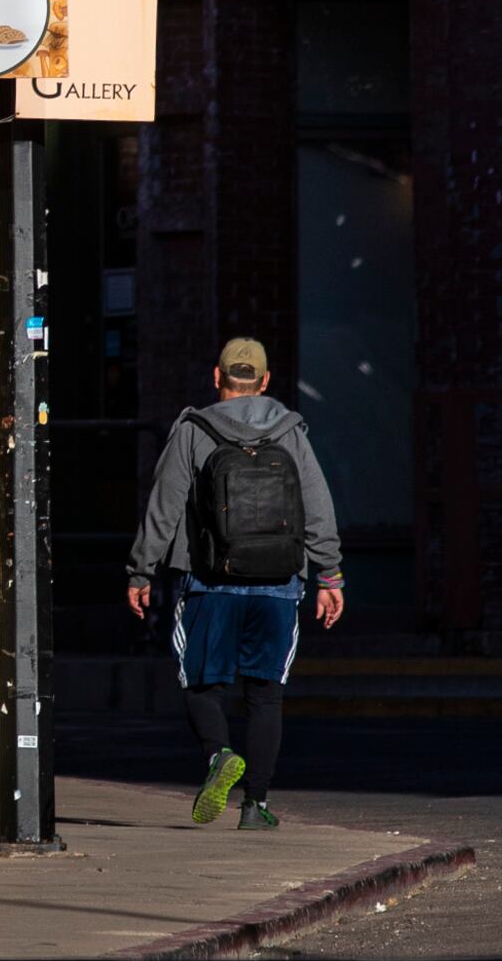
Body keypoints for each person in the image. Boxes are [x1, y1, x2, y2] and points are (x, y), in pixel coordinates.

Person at [125, 336, 343, 829]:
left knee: (203, 684)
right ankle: (256, 805)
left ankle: (219, 754)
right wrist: (330, 574)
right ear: (265, 382)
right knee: (265, 694)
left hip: (208, 582)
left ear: (216, 378)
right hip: (278, 586)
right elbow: (318, 507)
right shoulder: (291, 432)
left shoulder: (193, 430)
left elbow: (164, 507)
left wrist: (142, 570)